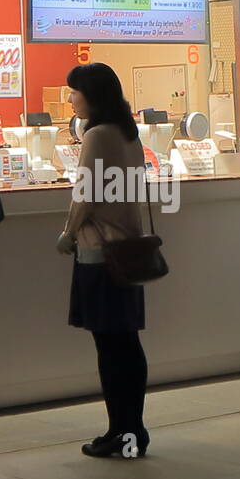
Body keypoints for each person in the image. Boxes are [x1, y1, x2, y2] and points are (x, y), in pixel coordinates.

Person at [55, 62, 150, 458]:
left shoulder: (96, 135)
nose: (71, 98)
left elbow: (86, 194)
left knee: (109, 347)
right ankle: (134, 430)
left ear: (93, 94)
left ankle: (118, 431)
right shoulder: (129, 134)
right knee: (127, 343)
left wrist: (67, 233)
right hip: (129, 250)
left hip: (99, 252)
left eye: (75, 91)